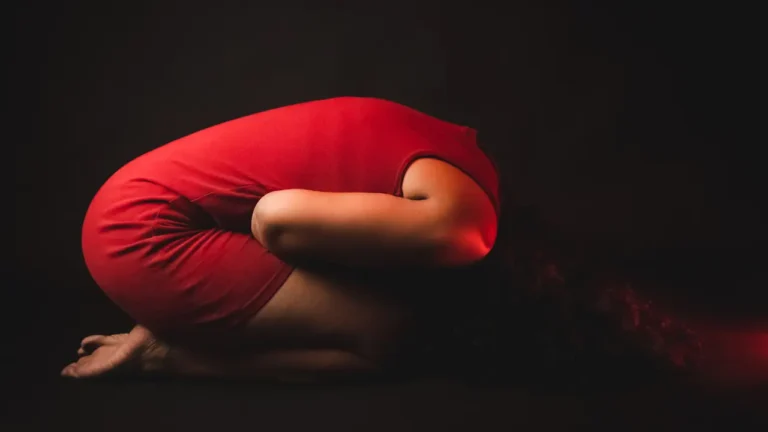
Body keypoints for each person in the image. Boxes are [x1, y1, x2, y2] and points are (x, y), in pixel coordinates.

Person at [62, 97, 501, 382]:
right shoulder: (464, 226)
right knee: (386, 341)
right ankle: (165, 355)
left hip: (135, 200)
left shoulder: (463, 153)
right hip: (144, 237)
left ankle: (181, 327)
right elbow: (275, 219)